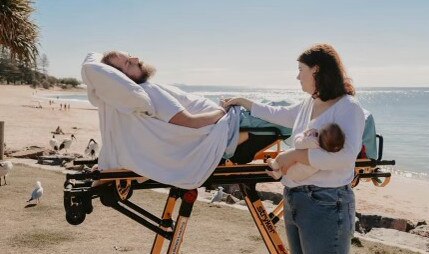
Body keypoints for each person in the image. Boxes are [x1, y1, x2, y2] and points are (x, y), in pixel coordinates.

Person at [223, 43, 365, 253]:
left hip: (326, 202)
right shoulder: (309, 103)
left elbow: (345, 157)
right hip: (295, 197)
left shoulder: (348, 107)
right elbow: (278, 113)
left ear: (316, 69)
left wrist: (295, 155)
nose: (297, 77)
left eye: (300, 70)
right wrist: (244, 102)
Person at [82, 51, 290, 189]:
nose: (136, 59)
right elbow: (189, 121)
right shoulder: (148, 91)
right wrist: (223, 111)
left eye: (131, 56)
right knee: (294, 115)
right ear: (123, 78)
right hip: (234, 124)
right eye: (128, 63)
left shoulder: (129, 107)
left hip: (232, 123)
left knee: (294, 113)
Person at [267, 123, 345, 181]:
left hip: (294, 169)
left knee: (283, 155)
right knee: (287, 167)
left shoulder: (313, 142)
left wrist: (303, 134)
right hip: (301, 174)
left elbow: (297, 143)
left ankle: (273, 164)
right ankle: (277, 174)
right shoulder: (325, 151)